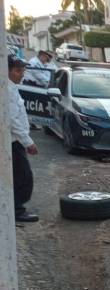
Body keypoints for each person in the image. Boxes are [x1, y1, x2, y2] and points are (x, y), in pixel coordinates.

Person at [8, 55, 39, 223]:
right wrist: (28, 142)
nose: (22, 74)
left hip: (16, 141)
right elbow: (13, 121)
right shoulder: (7, 90)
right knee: (24, 177)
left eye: (23, 70)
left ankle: (14, 208)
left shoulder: (12, 88)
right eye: (18, 70)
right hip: (14, 142)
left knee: (19, 176)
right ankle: (17, 210)